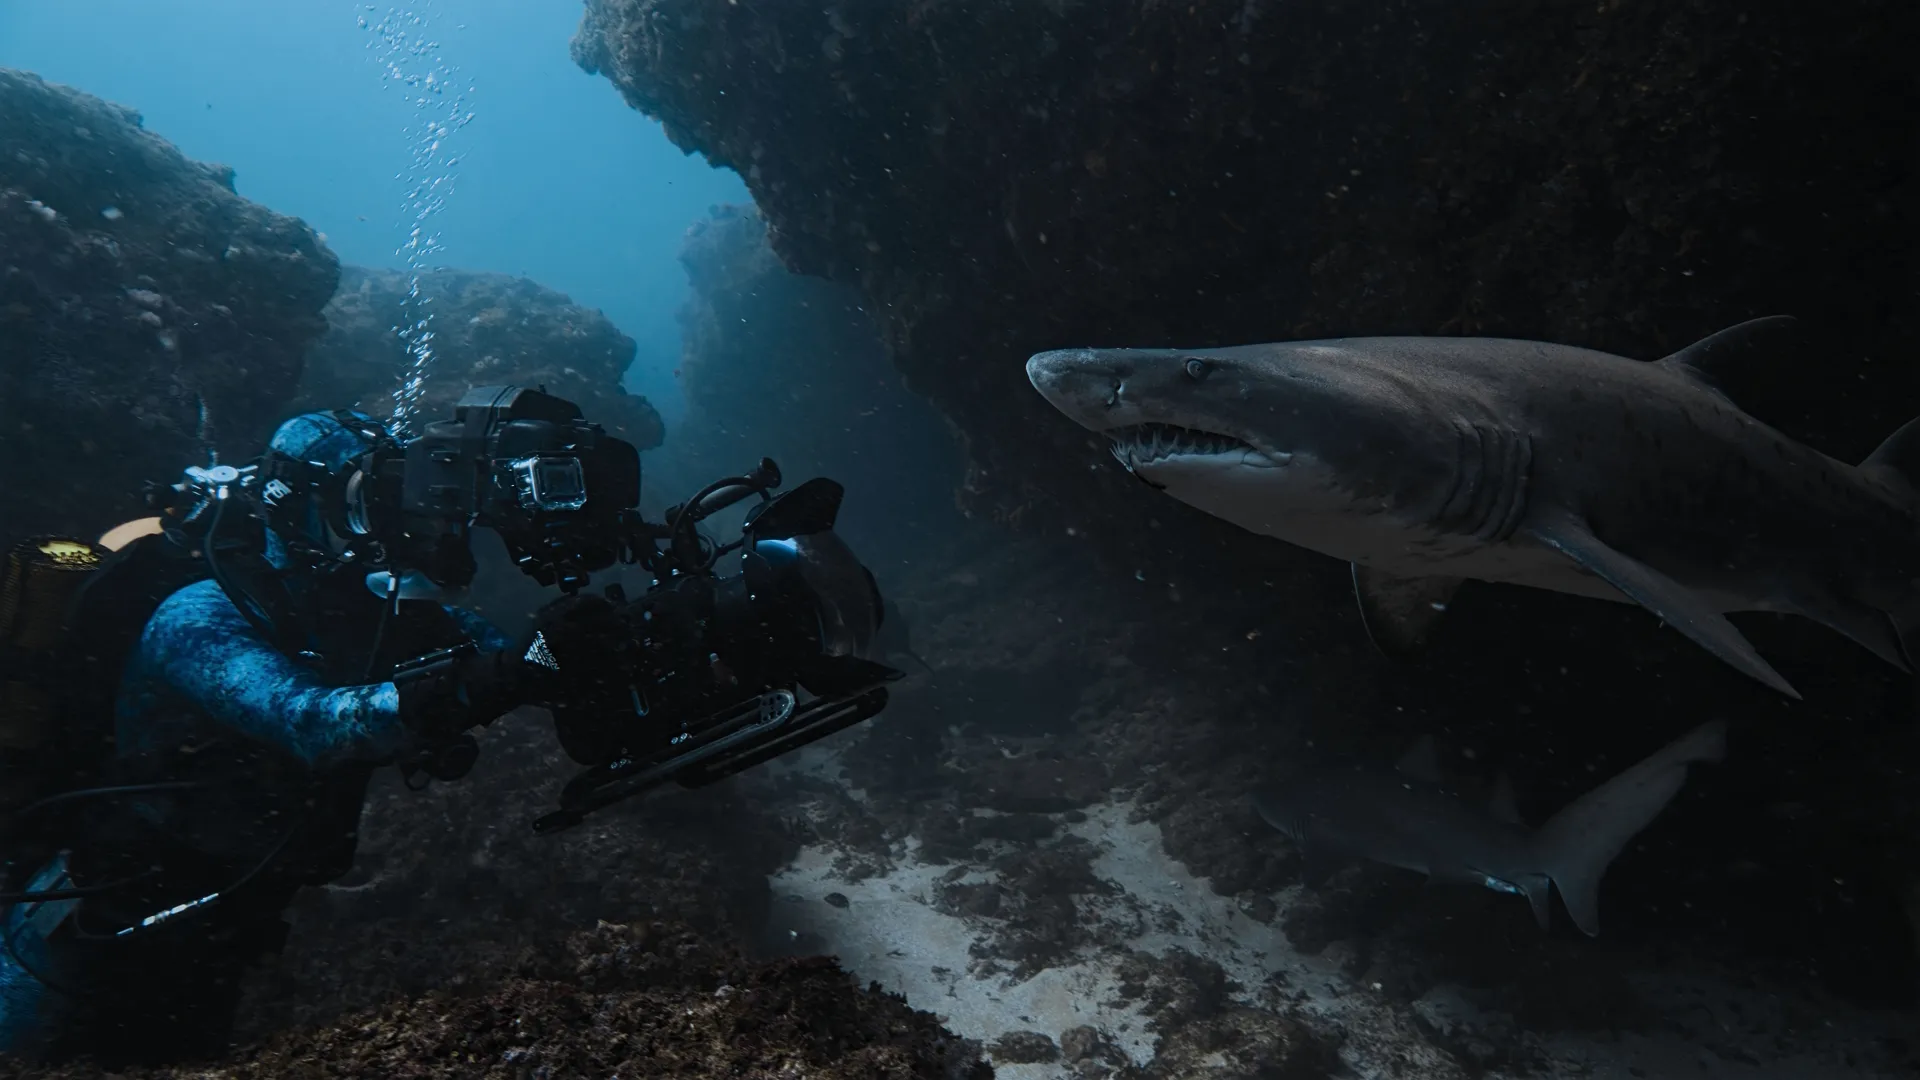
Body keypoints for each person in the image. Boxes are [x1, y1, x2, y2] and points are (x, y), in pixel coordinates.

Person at [0, 410, 541, 1066]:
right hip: (95, 927)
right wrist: (502, 675)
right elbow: (311, 723)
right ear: (298, 502)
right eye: (365, 503)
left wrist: (602, 644)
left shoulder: (372, 616)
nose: (391, 524)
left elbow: (510, 657)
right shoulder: (201, 613)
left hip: (228, 929)